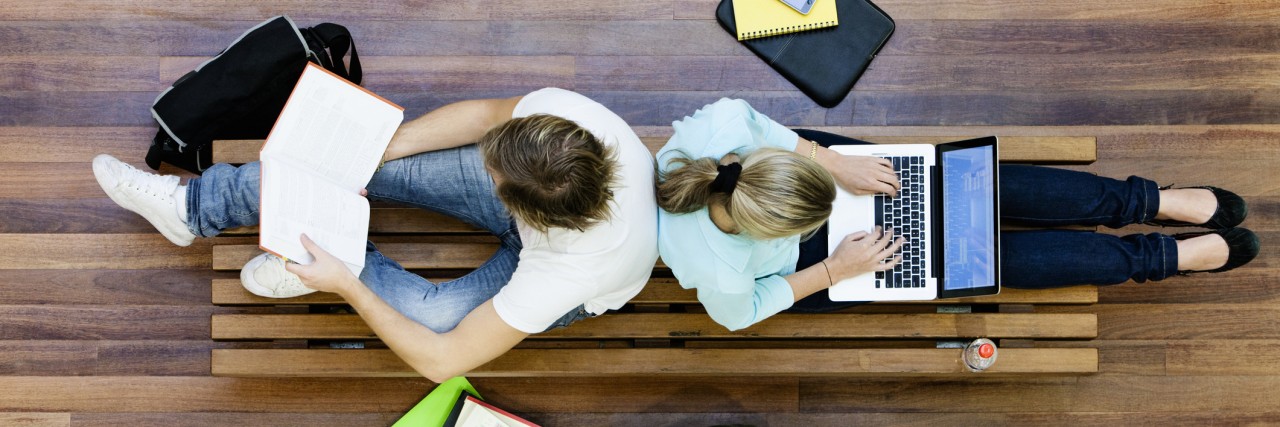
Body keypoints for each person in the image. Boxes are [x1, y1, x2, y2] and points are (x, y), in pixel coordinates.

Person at [92, 88, 658, 381]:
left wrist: (347, 284)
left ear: (516, 202)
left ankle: (329, 263)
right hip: (553, 211)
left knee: (435, 319)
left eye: (493, 173)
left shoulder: (572, 271)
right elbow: (488, 112)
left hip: (568, 276)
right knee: (352, 162)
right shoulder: (565, 123)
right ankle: (190, 208)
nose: (482, 165)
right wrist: (380, 153)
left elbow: (444, 360)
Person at [656, 98, 1259, 331]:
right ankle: (1156, 257)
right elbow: (743, 313)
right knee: (977, 260)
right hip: (818, 264)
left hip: (821, 170)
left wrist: (837, 166)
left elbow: (765, 130)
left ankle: (1147, 201)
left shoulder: (720, 133)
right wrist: (836, 270)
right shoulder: (718, 271)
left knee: (974, 190)